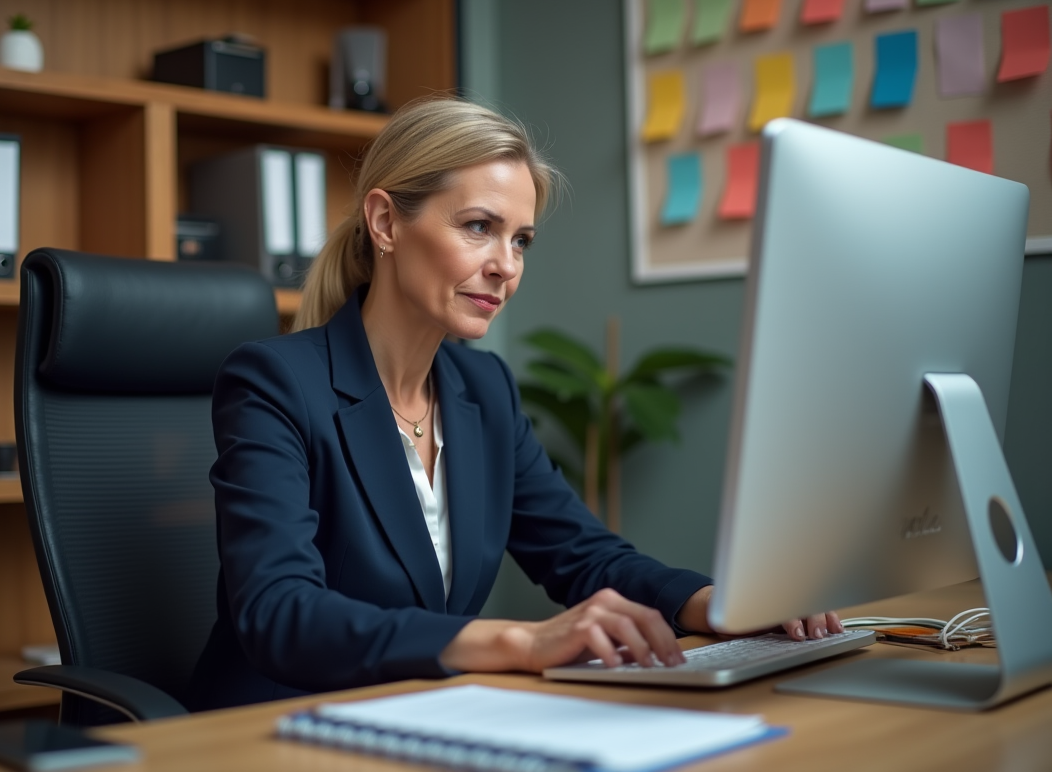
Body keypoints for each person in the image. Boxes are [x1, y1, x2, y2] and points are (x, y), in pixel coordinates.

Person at [185, 96, 842, 710]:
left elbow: (583, 555)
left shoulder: (483, 389)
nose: (507, 265)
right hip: (273, 726)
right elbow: (280, 613)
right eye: (479, 227)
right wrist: (522, 641)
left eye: (521, 239)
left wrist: (723, 607)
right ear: (385, 223)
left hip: (422, 716)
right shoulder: (275, 381)